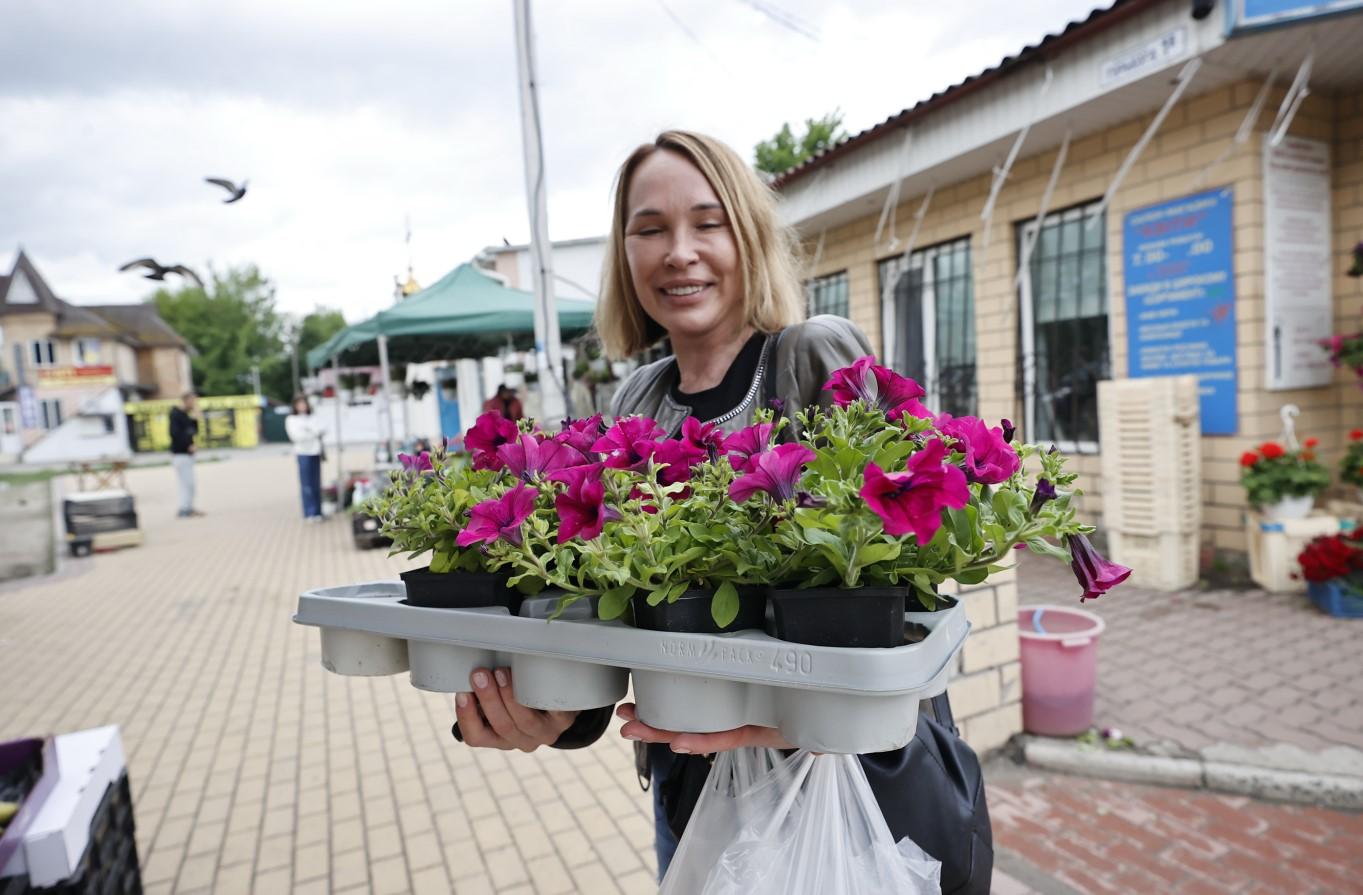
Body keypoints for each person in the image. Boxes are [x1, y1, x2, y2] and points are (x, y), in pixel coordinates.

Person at [453, 130, 881, 881]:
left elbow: (904, 595)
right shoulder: (636, 398)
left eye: (707, 223)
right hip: (687, 794)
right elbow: (620, 618)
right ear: (625, 253)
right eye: (649, 229)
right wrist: (559, 713)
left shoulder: (813, 353)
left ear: (747, 235)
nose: (678, 250)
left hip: (833, 788)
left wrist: (792, 710)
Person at [284, 395, 325, 522]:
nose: (302, 406)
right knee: (307, 484)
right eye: (299, 404)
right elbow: (296, 436)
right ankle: (310, 512)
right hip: (303, 453)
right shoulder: (291, 419)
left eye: (304, 403)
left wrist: (308, 431)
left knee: (316, 483)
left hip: (315, 452)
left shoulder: (312, 417)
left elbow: (321, 430)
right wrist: (311, 433)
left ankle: (318, 511)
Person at [168, 391, 202, 518]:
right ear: (186, 400)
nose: (195, 404)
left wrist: (195, 418)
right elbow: (175, 434)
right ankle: (184, 509)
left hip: (187, 455)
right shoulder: (176, 415)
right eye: (193, 401)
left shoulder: (186, 415)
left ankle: (189, 508)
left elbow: (193, 431)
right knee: (186, 484)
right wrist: (188, 445)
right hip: (180, 454)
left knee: (190, 484)